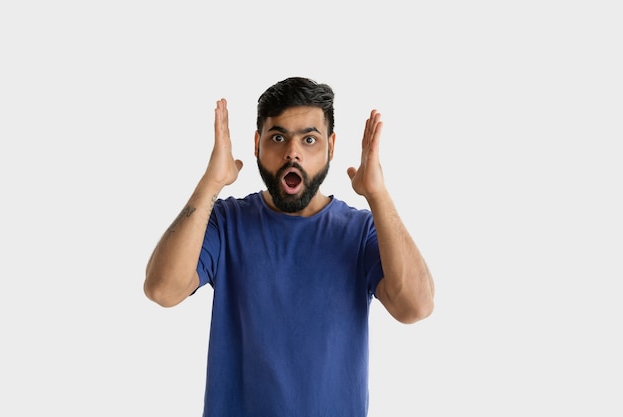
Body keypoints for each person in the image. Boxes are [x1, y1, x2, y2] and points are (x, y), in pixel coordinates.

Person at [144, 76, 435, 417]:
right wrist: (211, 183)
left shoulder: (360, 231)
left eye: (309, 139)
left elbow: (415, 307)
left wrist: (378, 195)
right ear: (257, 144)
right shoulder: (226, 223)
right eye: (278, 137)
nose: (292, 152)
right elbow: (163, 290)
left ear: (331, 146)